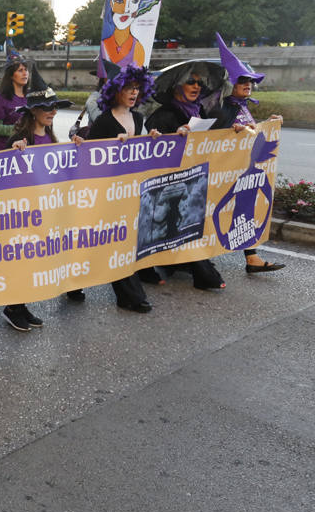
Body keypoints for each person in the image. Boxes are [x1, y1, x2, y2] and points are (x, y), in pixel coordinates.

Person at [66, 65, 159, 312]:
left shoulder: (139, 118)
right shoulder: (105, 120)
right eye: (128, 88)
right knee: (97, 240)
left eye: (137, 88)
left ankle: (129, 295)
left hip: (127, 191)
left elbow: (142, 154)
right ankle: (74, 281)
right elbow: (90, 155)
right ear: (115, 92)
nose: (133, 93)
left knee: (120, 241)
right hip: (105, 191)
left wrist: (151, 139)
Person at [3, 71, 81, 329]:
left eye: (55, 107)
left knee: (35, 260)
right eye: (46, 107)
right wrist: (13, 154)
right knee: (22, 260)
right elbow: (5, 175)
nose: (52, 111)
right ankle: (13, 307)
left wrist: (77, 147)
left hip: (47, 209)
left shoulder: (53, 138)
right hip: (25, 212)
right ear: (33, 111)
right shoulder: (20, 140)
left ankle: (22, 305)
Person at [144, 61, 227, 291]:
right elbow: (155, 150)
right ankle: (203, 273)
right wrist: (174, 137)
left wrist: (234, 133)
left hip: (193, 179)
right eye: (191, 81)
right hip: (167, 185)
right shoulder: (164, 115)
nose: (197, 86)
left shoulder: (199, 111)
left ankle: (182, 264)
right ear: (176, 86)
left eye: (200, 82)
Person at [209, 33, 284, 274]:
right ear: (231, 84)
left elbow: (249, 135)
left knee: (244, 213)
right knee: (217, 212)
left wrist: (267, 123)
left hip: (243, 172)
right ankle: (196, 258)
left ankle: (251, 258)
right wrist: (232, 130)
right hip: (224, 172)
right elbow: (216, 134)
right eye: (242, 81)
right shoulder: (224, 108)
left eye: (250, 81)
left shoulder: (242, 106)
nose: (247, 84)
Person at [0, 59, 30, 151]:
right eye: (20, 70)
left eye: (26, 70)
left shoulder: (31, 96)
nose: (25, 73)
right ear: (11, 75)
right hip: (3, 150)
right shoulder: (1, 98)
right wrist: (20, 130)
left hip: (24, 150)